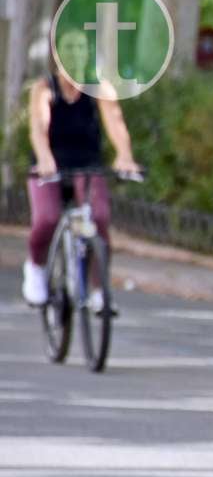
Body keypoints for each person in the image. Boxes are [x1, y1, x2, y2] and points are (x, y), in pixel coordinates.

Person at [24, 29, 141, 309]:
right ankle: (36, 268)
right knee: (47, 218)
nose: (75, 54)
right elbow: (39, 128)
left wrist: (124, 156)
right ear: (57, 55)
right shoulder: (45, 88)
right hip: (49, 164)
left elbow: (116, 124)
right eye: (69, 48)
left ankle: (99, 290)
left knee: (99, 217)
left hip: (87, 164)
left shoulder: (99, 88)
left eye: (80, 48)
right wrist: (44, 158)